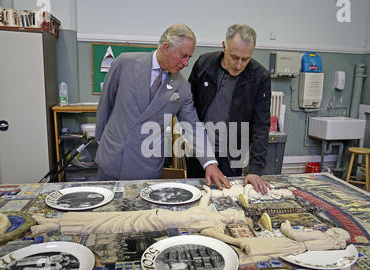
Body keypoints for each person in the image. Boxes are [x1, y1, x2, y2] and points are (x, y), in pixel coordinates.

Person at [95, 24, 230, 190]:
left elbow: (193, 126)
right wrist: (101, 143)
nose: (186, 63)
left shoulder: (182, 87)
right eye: (183, 56)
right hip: (113, 158)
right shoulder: (124, 63)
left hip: (147, 168)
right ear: (166, 48)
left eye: (189, 57)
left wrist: (210, 163)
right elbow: (105, 105)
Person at [187, 24, 272, 194]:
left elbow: (261, 125)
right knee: (196, 197)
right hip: (200, 152)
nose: (239, 65)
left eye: (246, 59)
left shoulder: (260, 77)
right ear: (224, 46)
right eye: (234, 57)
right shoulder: (204, 64)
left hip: (232, 154)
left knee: (227, 200)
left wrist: (255, 170)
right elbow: (188, 108)